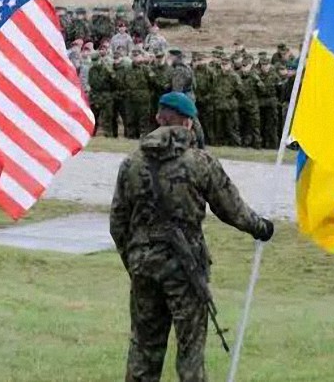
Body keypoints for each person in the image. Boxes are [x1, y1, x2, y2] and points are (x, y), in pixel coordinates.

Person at [110, 92, 274, 382]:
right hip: (185, 269)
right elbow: (233, 210)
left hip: (143, 267)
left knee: (144, 348)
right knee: (190, 353)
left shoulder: (131, 163)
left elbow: (118, 223)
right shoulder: (200, 163)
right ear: (187, 123)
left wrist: (135, 260)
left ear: (159, 119)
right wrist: (261, 228)